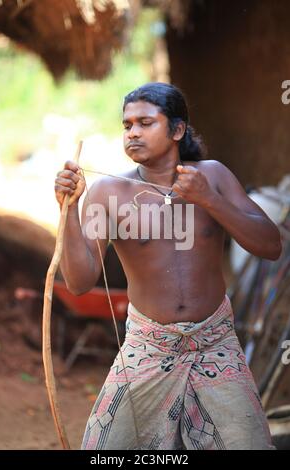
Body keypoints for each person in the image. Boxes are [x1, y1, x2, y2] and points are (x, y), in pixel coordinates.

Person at [54, 83, 281, 450]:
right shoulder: (108, 193)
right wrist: (67, 213)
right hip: (148, 347)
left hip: (214, 344)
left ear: (177, 130)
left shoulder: (214, 176)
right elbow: (79, 283)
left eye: (145, 122)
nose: (133, 133)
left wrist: (209, 199)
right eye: (127, 125)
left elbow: (270, 245)